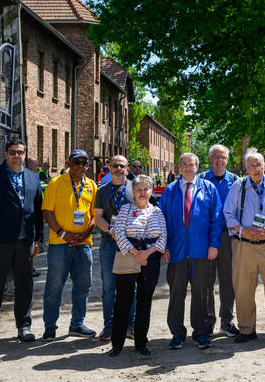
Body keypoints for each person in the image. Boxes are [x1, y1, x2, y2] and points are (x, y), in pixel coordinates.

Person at [224, 148, 265, 347]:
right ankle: (246, 329)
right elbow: (228, 213)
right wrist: (242, 230)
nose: (255, 169)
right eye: (251, 165)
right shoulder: (238, 186)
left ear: (264, 166)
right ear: (246, 168)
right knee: (243, 288)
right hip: (244, 245)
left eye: (258, 165)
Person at [159, 153, 222, 350]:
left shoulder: (208, 189)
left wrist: (214, 244)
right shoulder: (170, 191)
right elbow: (162, 221)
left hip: (201, 251)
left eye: (191, 164)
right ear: (179, 167)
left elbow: (217, 218)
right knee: (176, 293)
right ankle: (177, 333)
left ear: (197, 166)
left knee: (201, 293)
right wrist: (165, 246)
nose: (187, 167)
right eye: (184, 164)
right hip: (176, 251)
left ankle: (201, 333)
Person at [41, 149, 98, 340]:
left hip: (83, 244)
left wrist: (85, 234)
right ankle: (50, 326)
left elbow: (94, 216)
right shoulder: (56, 183)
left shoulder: (92, 185)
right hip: (59, 243)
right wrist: (63, 233)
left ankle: (77, 324)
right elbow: (47, 211)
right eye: (77, 162)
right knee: (54, 286)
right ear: (68, 164)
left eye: (84, 163)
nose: (81, 166)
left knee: (83, 286)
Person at [108, 174, 167, 357]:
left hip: (150, 261)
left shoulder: (157, 211)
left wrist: (147, 254)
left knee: (144, 302)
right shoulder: (125, 209)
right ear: (133, 191)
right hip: (128, 258)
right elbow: (118, 232)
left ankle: (141, 342)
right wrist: (135, 253)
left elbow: (163, 237)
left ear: (150, 191)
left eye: (146, 189)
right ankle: (117, 343)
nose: (142, 193)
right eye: (139, 189)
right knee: (123, 302)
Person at [0, 139, 43, 342]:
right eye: (13, 152)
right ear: (6, 154)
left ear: (25, 154)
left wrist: (38, 240)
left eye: (20, 152)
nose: (16, 156)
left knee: (25, 284)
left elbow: (39, 211)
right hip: (0, 242)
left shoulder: (32, 177)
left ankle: (24, 326)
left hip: (25, 242)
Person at [94, 155, 136, 341]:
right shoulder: (102, 191)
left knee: (130, 287)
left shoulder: (135, 189)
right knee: (109, 287)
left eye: (122, 166)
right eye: (115, 166)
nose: (118, 169)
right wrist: (111, 229)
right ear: (109, 168)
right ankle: (109, 326)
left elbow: (144, 212)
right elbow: (98, 217)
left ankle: (130, 326)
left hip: (130, 245)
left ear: (128, 169)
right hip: (109, 244)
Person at [200, 144, 240, 337]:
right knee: (207, 281)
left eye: (223, 157)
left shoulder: (236, 181)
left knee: (228, 281)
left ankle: (227, 321)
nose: (219, 161)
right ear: (210, 159)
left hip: (228, 237)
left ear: (227, 160)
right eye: (216, 157)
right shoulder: (200, 180)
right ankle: (209, 321)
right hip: (206, 237)